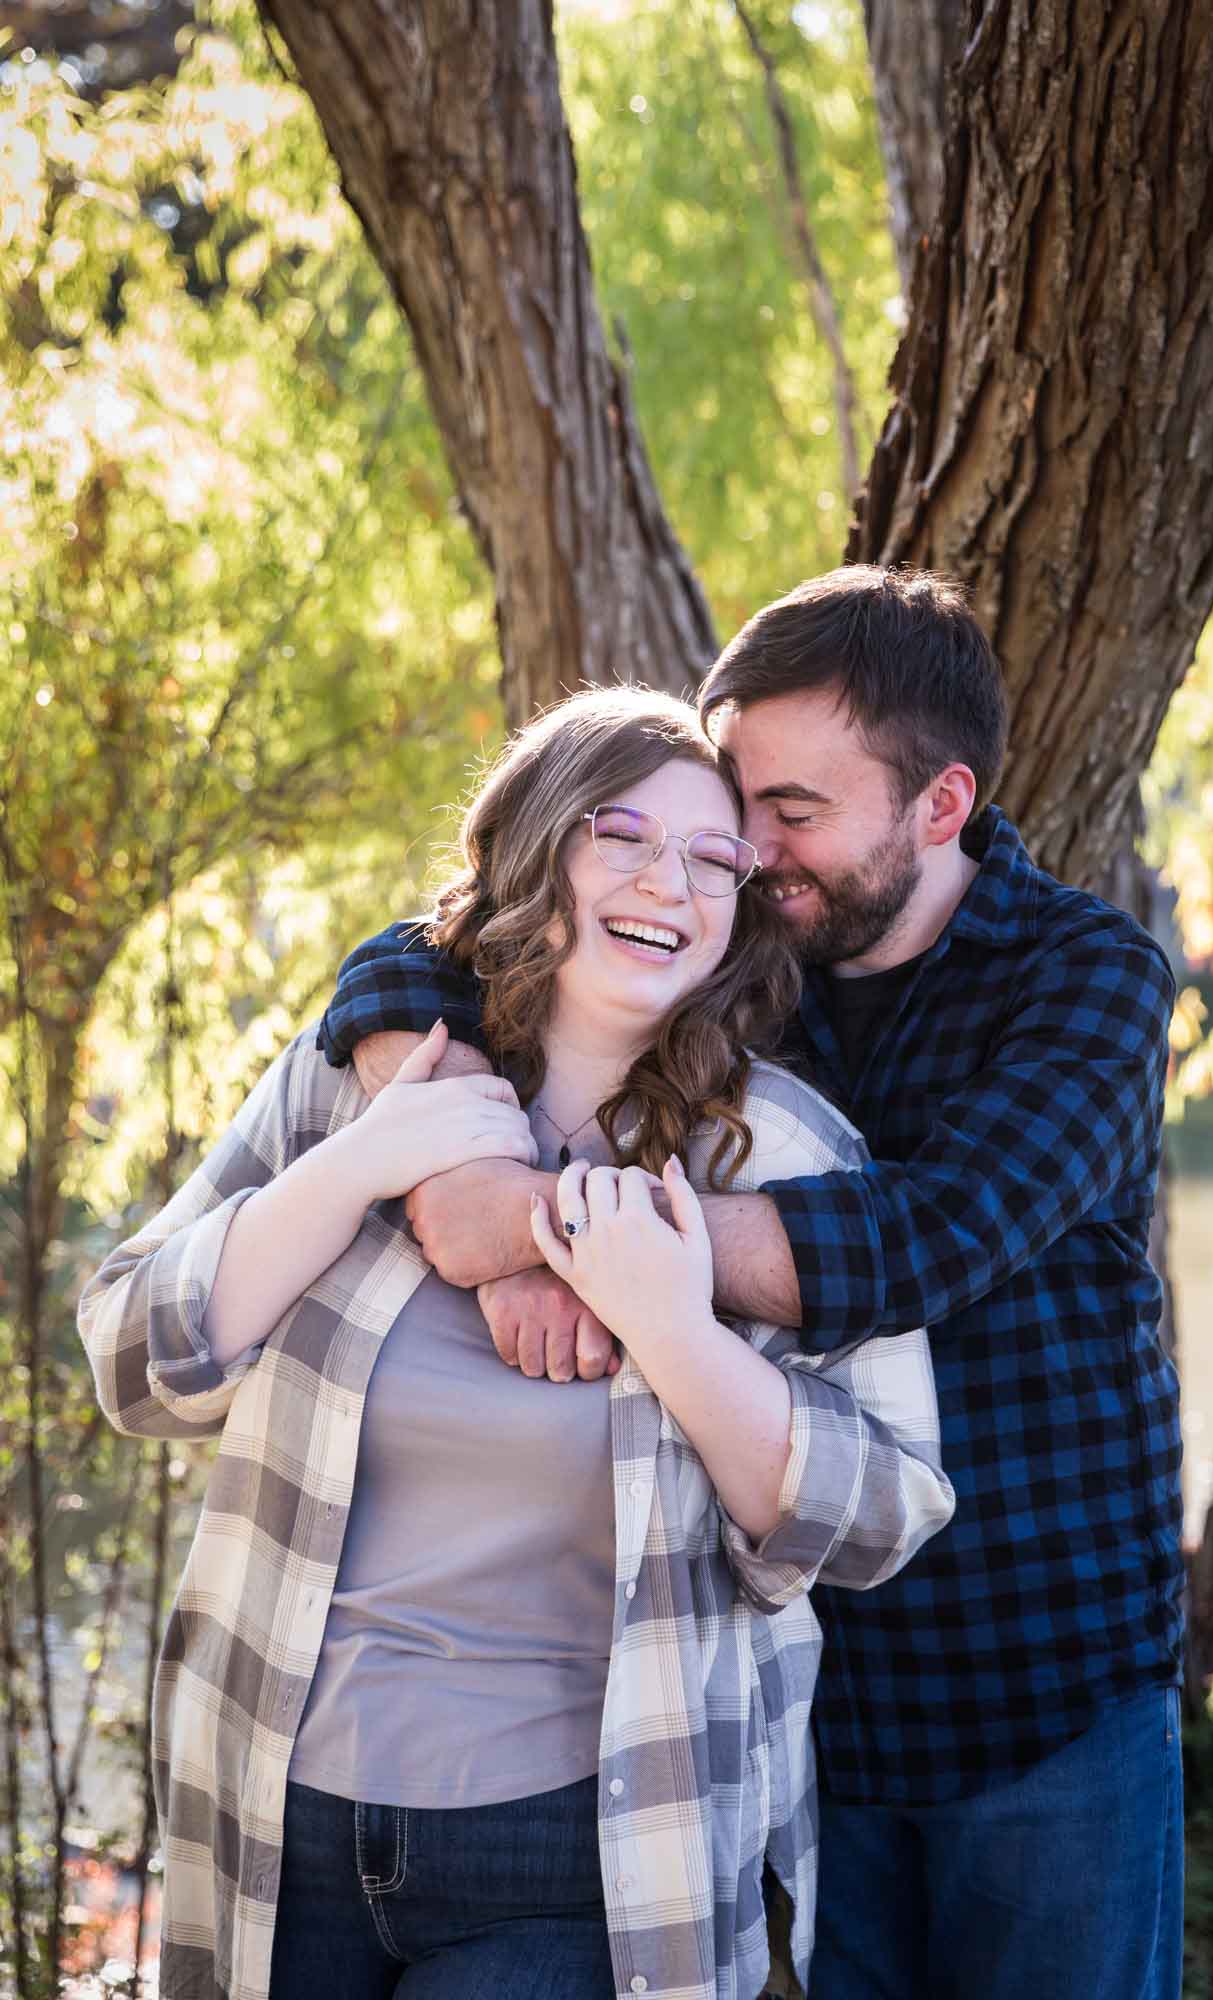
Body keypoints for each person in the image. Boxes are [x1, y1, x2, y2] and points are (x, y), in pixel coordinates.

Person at [320, 566, 1186, 2000]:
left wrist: (545, 1225)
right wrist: (439, 1155)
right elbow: (416, 955)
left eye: (792, 815)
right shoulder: (736, 961)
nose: (744, 850)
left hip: (1044, 1693)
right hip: (793, 1700)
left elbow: (921, 1242)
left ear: (940, 806)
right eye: (738, 803)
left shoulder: (1084, 980)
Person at [78, 685, 954, 2000]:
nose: (676, 882)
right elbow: (133, 1361)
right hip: (272, 1814)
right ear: (536, 851)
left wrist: (668, 1319)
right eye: (624, 837)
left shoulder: (779, 1156)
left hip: (576, 1852)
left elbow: (884, 1513)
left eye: (716, 861)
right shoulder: (358, 1077)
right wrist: (366, 1166)